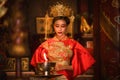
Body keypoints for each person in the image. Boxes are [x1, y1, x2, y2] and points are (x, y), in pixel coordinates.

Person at [30, 16, 95, 80]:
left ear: (66, 27)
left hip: (66, 76)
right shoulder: (45, 45)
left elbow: (80, 65)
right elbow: (40, 67)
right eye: (57, 26)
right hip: (50, 77)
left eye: (63, 26)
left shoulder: (73, 44)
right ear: (53, 27)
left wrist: (64, 67)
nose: (60, 29)